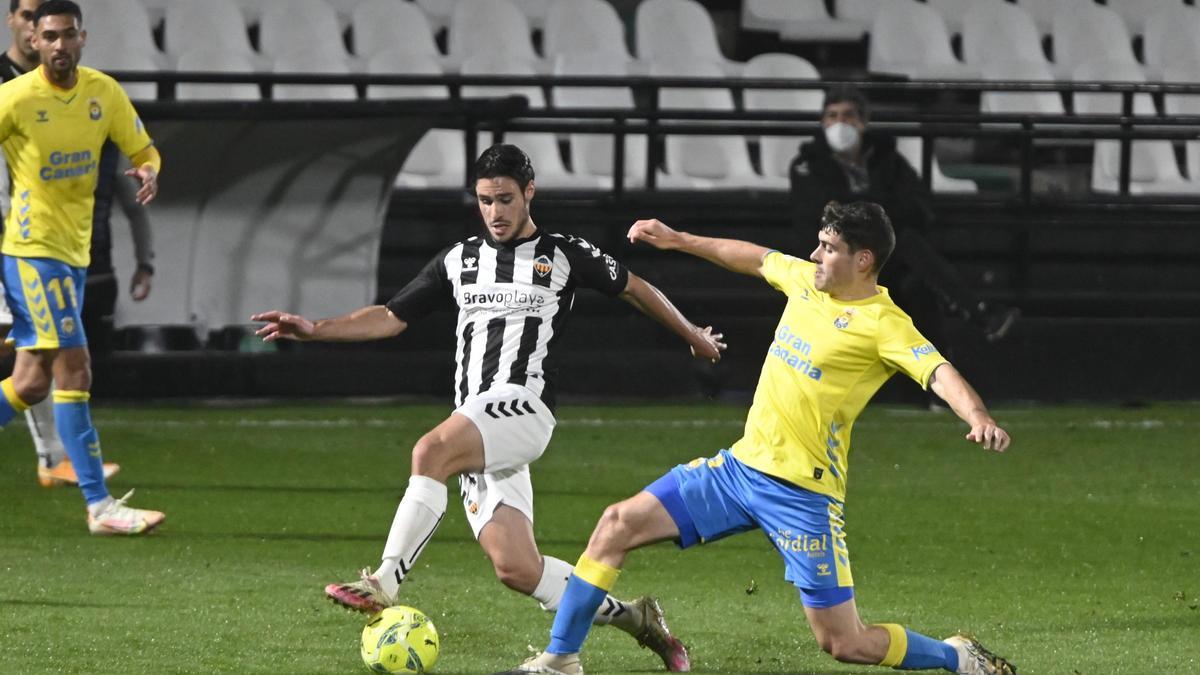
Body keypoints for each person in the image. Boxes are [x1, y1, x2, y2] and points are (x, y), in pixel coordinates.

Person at [252, 144, 724, 672]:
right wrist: (316, 330)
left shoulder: (563, 254)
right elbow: (391, 315)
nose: (495, 212)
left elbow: (635, 288)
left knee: (429, 449)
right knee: (517, 568)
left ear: (529, 194)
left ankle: (385, 579)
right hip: (478, 420)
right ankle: (636, 620)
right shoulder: (460, 260)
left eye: (504, 199)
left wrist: (691, 334)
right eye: (484, 201)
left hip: (524, 407)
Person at [500, 202, 1016, 675]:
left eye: (829, 248)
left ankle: (957, 658)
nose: (814, 254)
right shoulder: (808, 282)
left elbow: (938, 371)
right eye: (817, 242)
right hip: (739, 472)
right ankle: (560, 659)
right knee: (616, 524)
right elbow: (751, 257)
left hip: (803, 496)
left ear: (864, 260)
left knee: (844, 643)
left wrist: (977, 415)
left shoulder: (885, 325)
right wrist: (680, 239)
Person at [0, 0, 164, 534]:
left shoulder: (103, 92)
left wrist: (147, 168)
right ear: (34, 41)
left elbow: (143, 147)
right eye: (50, 36)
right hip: (32, 249)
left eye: (69, 35)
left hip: (73, 252)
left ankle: (98, 503)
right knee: (76, 367)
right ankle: (101, 506)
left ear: (82, 38)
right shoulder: (16, 98)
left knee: (27, 384)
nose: (60, 45)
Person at [790, 86, 1018, 344]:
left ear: (862, 123)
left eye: (848, 116)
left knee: (917, 283)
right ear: (822, 123)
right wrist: (880, 214)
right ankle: (977, 312)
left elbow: (918, 202)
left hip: (886, 255)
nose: (839, 123)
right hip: (839, 257)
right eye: (832, 116)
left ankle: (931, 369)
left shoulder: (886, 159)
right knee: (909, 245)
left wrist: (870, 214)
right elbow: (821, 217)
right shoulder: (807, 164)